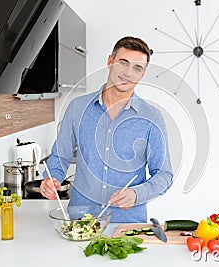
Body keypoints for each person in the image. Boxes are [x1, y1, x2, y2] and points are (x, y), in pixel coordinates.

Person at [41, 36, 173, 223]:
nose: (128, 73)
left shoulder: (151, 117)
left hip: (127, 225)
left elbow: (164, 174)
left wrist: (137, 194)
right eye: (123, 63)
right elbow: (60, 157)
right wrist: (52, 178)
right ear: (110, 61)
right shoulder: (77, 108)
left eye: (137, 68)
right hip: (80, 221)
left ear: (142, 74)